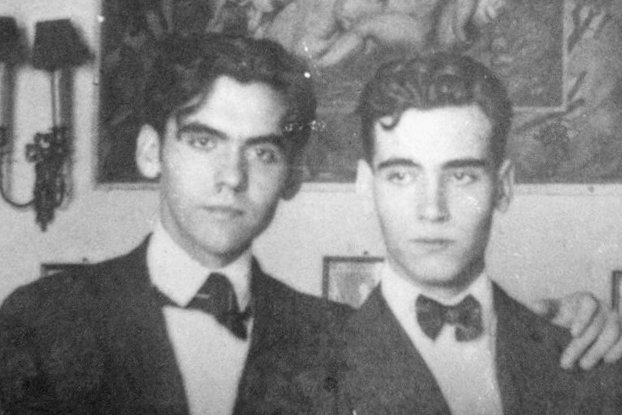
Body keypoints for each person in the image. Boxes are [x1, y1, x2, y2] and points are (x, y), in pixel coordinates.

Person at [0, 34, 619, 415]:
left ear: (292, 176)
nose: (232, 177)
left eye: (263, 151)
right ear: (148, 152)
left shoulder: (327, 334)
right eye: (204, 142)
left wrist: (581, 322)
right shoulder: (40, 320)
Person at [283, 53, 622, 414]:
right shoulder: (303, 382)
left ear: (503, 188)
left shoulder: (586, 356)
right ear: (366, 187)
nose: (432, 209)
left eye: (461, 176)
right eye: (402, 176)